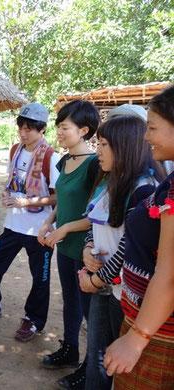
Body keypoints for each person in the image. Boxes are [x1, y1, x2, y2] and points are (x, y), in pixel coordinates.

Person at [78, 115, 161, 390]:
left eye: (104, 144)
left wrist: (96, 279)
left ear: (124, 146)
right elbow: (95, 221)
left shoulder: (142, 189)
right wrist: (88, 248)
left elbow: (128, 247)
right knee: (97, 357)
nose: (98, 151)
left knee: (113, 362)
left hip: (122, 293)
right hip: (105, 287)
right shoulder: (109, 181)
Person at [0, 103, 60, 342]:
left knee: (40, 277)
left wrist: (27, 202)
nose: (24, 132)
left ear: (43, 129)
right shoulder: (15, 150)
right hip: (14, 224)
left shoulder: (51, 156)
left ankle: (33, 321)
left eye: (30, 128)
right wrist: (10, 197)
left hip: (40, 228)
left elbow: (59, 196)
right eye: (21, 127)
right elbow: (13, 181)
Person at [103, 85, 174, 389]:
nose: (147, 137)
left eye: (153, 128)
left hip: (158, 333)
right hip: (146, 319)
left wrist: (137, 337)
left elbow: (170, 273)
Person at [37, 100, 101, 389]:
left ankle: (90, 368)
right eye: (59, 126)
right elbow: (62, 201)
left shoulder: (95, 165)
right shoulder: (64, 161)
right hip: (64, 245)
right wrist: (49, 221)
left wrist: (64, 228)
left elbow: (97, 215)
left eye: (65, 127)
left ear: (84, 130)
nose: (59, 132)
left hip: (86, 250)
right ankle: (70, 349)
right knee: (70, 300)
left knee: (91, 311)